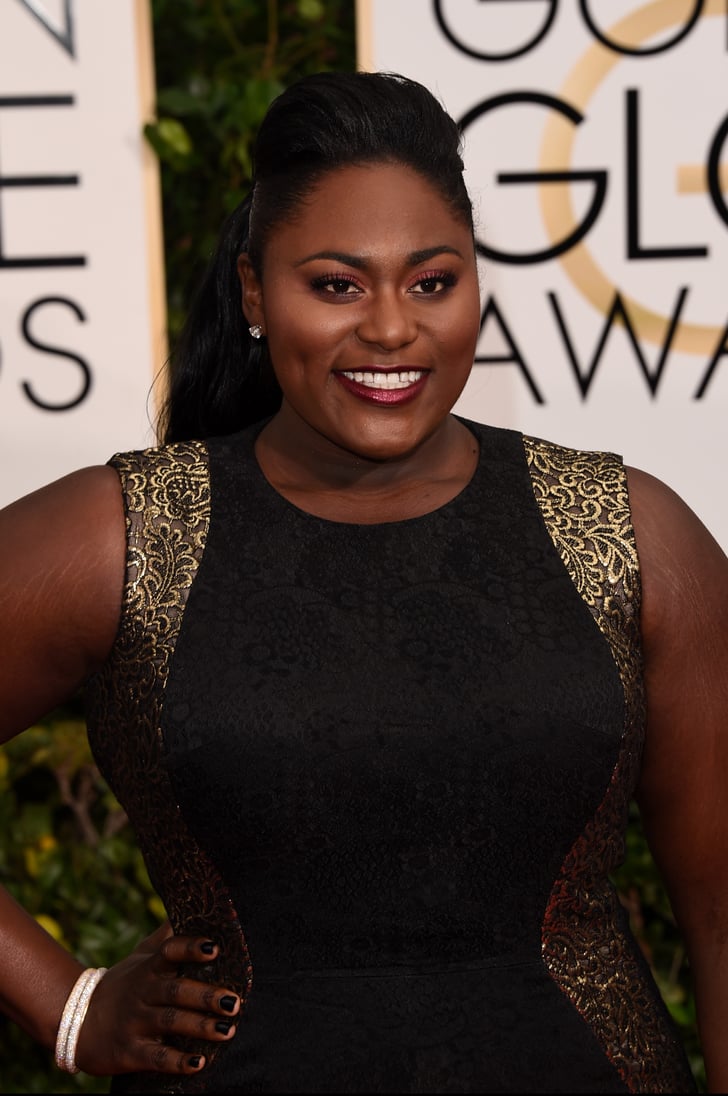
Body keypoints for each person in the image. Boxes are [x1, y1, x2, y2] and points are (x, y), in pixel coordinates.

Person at [0, 68, 727, 1096]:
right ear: (254, 291)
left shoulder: (625, 530)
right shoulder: (126, 534)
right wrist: (65, 1004)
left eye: (432, 281)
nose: (390, 330)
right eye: (335, 284)